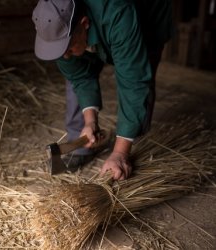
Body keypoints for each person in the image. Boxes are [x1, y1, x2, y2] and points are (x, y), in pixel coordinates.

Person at [32, 0, 173, 180]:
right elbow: (80, 76)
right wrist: (90, 121)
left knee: (141, 72)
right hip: (93, 25)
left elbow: (133, 81)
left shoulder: (118, 15)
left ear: (84, 24)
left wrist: (120, 152)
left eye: (67, 47)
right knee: (75, 60)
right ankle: (83, 145)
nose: (64, 56)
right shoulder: (58, 26)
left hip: (146, 14)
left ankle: (129, 147)